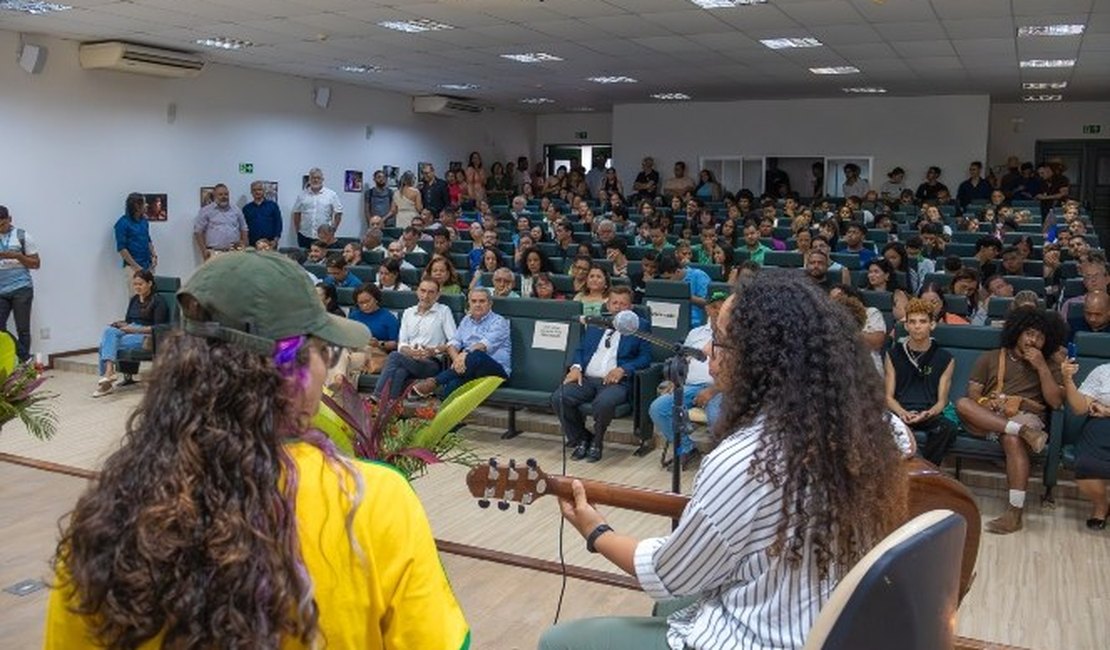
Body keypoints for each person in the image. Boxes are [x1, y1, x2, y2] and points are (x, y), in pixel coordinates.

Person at [49, 252, 471, 648]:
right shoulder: (374, 501)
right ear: (294, 372)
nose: (327, 364)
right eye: (325, 351)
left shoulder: (107, 516)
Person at [540, 271, 908, 650]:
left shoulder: (743, 460)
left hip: (760, 639)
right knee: (671, 608)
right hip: (837, 621)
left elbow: (671, 576)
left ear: (760, 358)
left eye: (719, 340)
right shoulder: (880, 428)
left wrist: (596, 530)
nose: (709, 354)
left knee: (559, 641)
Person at [955, 306, 1066, 534]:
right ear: (1017, 332)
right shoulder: (991, 357)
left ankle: (1015, 513)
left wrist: (1042, 366)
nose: (1033, 340)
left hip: (1028, 417)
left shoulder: (1051, 364)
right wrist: (987, 402)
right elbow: (973, 394)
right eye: (1029, 333)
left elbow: (1055, 403)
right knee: (963, 404)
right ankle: (1021, 431)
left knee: (1011, 439)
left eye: (1040, 336)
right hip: (992, 418)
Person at [552, 286, 651, 463]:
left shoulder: (639, 326)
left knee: (603, 403)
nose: (619, 307)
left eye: (624, 304)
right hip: (587, 379)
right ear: (608, 304)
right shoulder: (596, 323)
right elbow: (581, 350)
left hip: (616, 383)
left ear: (631, 307)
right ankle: (582, 438)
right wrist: (576, 367)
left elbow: (645, 358)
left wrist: (624, 369)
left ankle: (597, 442)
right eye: (615, 303)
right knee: (559, 397)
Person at [648, 292, 727, 469]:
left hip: (719, 388)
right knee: (659, 408)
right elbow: (683, 361)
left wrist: (712, 390)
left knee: (716, 416)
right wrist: (674, 381)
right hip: (690, 386)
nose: (718, 311)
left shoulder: (734, 334)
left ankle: (720, 462)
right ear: (707, 309)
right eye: (714, 307)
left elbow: (735, 373)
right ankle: (686, 449)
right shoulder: (695, 333)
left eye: (722, 306)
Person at [884, 298, 958, 464]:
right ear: (906, 325)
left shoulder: (945, 358)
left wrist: (927, 414)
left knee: (947, 428)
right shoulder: (893, 354)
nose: (917, 326)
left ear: (932, 325)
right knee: (880, 424)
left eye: (923, 321)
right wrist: (902, 412)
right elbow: (888, 397)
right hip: (900, 410)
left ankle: (927, 470)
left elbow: (942, 401)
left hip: (928, 413)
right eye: (913, 322)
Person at [411, 287, 510, 399]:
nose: (477, 304)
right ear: (469, 303)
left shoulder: (499, 322)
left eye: (482, 301)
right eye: (474, 301)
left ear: (490, 304)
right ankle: (440, 413)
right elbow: (454, 343)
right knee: (452, 386)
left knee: (477, 355)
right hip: (469, 370)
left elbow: (482, 346)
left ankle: (434, 382)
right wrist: (457, 359)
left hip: (496, 374)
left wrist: (465, 354)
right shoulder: (466, 320)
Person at [92, 270, 170, 397]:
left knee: (104, 345)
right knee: (109, 330)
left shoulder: (158, 301)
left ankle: (107, 381)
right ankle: (109, 374)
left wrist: (133, 330)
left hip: (146, 336)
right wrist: (122, 324)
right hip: (130, 331)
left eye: (140, 284)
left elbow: (159, 327)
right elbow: (129, 320)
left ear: (149, 283)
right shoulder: (134, 299)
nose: (137, 287)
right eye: (135, 284)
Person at [1061, 356, 1110, 530]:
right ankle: (1101, 505)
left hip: (1104, 415)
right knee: (1086, 464)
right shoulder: (1103, 371)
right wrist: (1068, 380)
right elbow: (1080, 407)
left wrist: (1106, 410)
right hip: (1100, 426)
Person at [0, 206, 38, 362]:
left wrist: (17, 256)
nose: (0, 228)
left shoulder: (22, 236)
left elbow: (36, 263)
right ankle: (25, 357)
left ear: (10, 219)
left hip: (21, 288)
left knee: (23, 329)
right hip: (1, 290)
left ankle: (23, 367)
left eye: (2, 224)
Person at [114, 193, 157, 295]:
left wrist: (154, 255)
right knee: (137, 299)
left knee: (151, 297)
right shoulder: (122, 223)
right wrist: (137, 267)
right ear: (137, 206)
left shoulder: (144, 221)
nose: (146, 205)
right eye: (144, 203)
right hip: (133, 268)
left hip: (148, 266)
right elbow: (122, 249)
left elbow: (148, 239)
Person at [193, 184, 248, 261]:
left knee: (235, 273)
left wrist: (244, 247)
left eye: (226, 194)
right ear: (214, 195)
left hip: (234, 252)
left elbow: (244, 228)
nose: (224, 197)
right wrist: (203, 251)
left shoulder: (236, 210)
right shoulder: (206, 211)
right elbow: (198, 232)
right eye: (220, 194)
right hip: (214, 252)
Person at [292, 168, 343, 249]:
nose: (315, 180)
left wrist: (333, 229)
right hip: (305, 235)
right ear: (309, 179)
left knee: (323, 259)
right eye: (313, 178)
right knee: (304, 259)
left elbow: (338, 212)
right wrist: (297, 231)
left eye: (318, 178)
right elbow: (296, 213)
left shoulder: (331, 195)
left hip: (324, 237)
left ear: (322, 179)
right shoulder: (302, 195)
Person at [657, 252, 710, 327]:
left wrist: (686, 296)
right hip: (670, 319)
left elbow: (708, 303)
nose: (666, 282)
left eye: (668, 278)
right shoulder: (662, 282)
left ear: (678, 271)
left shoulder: (699, 276)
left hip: (694, 322)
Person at [243, 180, 282, 247]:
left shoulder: (273, 206)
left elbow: (278, 223)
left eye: (259, 189)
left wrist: (275, 240)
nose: (257, 192)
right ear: (251, 192)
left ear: (263, 191)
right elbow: (244, 227)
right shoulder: (246, 208)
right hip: (252, 244)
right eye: (254, 190)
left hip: (270, 243)